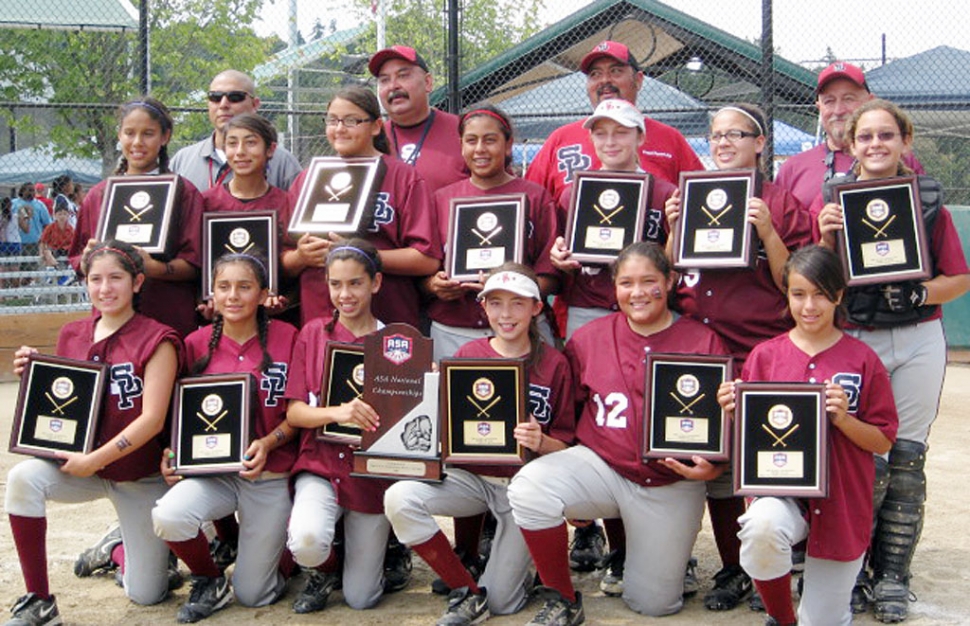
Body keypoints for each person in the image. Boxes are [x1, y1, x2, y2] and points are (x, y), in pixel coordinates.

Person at [508, 242, 730, 624]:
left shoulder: (703, 342)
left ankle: (654, 564)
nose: (638, 292)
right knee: (530, 488)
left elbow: (722, 429)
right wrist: (571, 492)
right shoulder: (589, 338)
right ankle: (562, 597)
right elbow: (570, 415)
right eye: (627, 283)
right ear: (614, 287)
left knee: (654, 604)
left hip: (670, 482)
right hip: (604, 468)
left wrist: (713, 469)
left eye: (649, 281)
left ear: (670, 281)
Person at [813, 99, 970, 623]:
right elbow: (817, 279)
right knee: (863, 460)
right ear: (849, 144)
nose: (876, 145)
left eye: (887, 136)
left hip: (919, 337)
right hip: (859, 338)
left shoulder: (927, 202)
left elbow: (958, 278)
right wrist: (824, 233)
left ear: (906, 142)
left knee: (906, 455)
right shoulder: (833, 201)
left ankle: (894, 574)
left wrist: (924, 295)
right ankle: (854, 568)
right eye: (865, 137)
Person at [664, 103, 813, 611]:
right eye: (716, 135)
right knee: (698, 456)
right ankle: (710, 562)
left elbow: (794, 282)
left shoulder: (780, 201)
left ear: (760, 143)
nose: (723, 142)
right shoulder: (690, 196)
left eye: (736, 134)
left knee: (744, 467)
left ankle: (749, 567)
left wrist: (768, 230)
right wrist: (671, 230)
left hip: (753, 351)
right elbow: (663, 279)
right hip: (693, 351)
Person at [385, 264, 576, 625]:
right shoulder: (467, 354)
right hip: (472, 480)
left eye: (518, 304)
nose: (506, 315)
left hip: (523, 490)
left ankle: (520, 569)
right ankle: (466, 592)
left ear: (537, 307)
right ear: (484, 307)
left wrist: (542, 441)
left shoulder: (554, 364)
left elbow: (568, 446)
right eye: (496, 303)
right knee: (400, 498)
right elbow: (443, 428)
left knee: (504, 603)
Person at [718, 245, 899, 626]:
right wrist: (733, 408)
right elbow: (750, 440)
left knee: (823, 622)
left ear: (839, 294)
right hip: (781, 492)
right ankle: (782, 619)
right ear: (786, 295)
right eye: (798, 294)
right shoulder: (765, 356)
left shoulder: (862, 359)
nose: (809, 305)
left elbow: (883, 441)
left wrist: (845, 420)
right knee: (761, 527)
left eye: (821, 293)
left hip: (842, 502)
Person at [4, 240, 182, 626]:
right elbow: (65, 401)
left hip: (139, 473)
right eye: (95, 279)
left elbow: (152, 420)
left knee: (147, 594)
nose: (105, 288)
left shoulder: (159, 337)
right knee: (22, 479)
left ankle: (116, 549)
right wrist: (35, 374)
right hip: (82, 469)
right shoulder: (72, 334)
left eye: (115, 278)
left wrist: (95, 460)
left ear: (137, 283)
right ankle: (39, 600)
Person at [152, 254, 298, 624]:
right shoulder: (193, 344)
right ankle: (210, 579)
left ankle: (285, 556)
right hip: (214, 473)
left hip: (269, 473)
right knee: (169, 515)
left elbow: (298, 416)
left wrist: (268, 443)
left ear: (265, 294)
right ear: (211, 295)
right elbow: (177, 411)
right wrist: (173, 453)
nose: (233, 296)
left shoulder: (289, 337)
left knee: (253, 594)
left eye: (245, 287)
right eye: (224, 287)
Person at [283, 240, 394, 614]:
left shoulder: (396, 342)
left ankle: (376, 552)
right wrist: (338, 413)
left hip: (370, 474)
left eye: (355, 283)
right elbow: (295, 413)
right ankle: (325, 570)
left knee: (362, 598)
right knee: (307, 541)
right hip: (322, 463)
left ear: (375, 283)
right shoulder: (312, 334)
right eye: (335, 284)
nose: (344, 294)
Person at [284, 86, 440, 328]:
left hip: (387, 314)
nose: (339, 129)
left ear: (376, 126)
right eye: (332, 120)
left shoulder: (403, 177)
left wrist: (364, 255)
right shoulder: (307, 179)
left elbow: (426, 259)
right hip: (320, 315)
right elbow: (284, 260)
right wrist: (300, 257)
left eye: (351, 121)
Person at [426, 105, 560, 360]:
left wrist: (511, 289)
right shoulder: (442, 199)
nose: (480, 149)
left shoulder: (535, 197)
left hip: (520, 330)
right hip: (454, 328)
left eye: (490, 140)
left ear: (508, 144)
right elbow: (424, 270)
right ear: (461, 145)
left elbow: (552, 277)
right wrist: (435, 285)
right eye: (471, 141)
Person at [69, 97, 205, 338]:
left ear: (165, 137)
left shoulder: (185, 192)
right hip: (110, 319)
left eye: (148, 134)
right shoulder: (99, 195)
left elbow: (195, 264)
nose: (137, 142)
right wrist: (88, 260)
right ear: (119, 135)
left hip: (166, 311)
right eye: (129, 133)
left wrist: (155, 268)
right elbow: (77, 258)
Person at [525, 40, 702, 206]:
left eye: (616, 71)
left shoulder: (670, 138)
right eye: (595, 74)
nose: (605, 81)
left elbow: (700, 197)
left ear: (638, 80)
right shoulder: (560, 138)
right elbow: (531, 203)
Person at [775, 61, 924, 210]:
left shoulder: (897, 159)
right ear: (819, 107)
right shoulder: (792, 168)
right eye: (829, 101)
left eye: (848, 99)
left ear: (870, 102)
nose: (838, 110)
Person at [170, 70, 302, 192]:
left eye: (235, 97)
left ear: (255, 104)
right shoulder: (182, 161)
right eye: (215, 97)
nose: (223, 104)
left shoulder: (284, 163)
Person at [369, 46, 467, 193]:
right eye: (384, 80)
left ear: (427, 82)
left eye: (403, 76)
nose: (393, 86)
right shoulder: (370, 139)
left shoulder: (465, 132)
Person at [13, 182, 53, 258]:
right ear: (22, 191)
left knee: (32, 266)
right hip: (17, 242)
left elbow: (47, 223)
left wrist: (44, 239)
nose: (32, 193)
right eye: (30, 190)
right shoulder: (14, 204)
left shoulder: (39, 204)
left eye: (33, 190)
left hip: (34, 242)